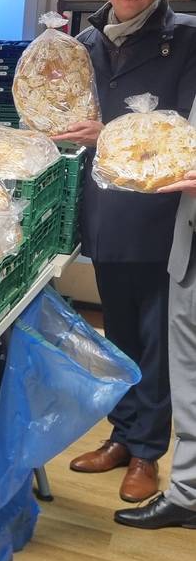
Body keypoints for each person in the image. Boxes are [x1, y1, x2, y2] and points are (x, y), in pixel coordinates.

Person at [55, 0, 196, 504]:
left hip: (161, 213)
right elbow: (69, 112)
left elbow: (179, 127)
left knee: (157, 339)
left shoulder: (186, 37)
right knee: (119, 336)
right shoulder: (85, 42)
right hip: (106, 212)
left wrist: (108, 130)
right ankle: (120, 435)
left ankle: (147, 454)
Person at [115, 150, 196, 530]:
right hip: (185, 244)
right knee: (186, 379)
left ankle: (183, 491)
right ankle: (186, 492)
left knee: (175, 367)